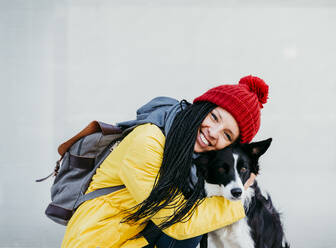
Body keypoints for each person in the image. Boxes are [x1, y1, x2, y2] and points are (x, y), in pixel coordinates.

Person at [61, 75, 269, 248]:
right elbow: (178, 223)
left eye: (227, 135)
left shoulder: (192, 158)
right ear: (201, 107)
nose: (214, 133)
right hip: (97, 242)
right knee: (186, 228)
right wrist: (239, 201)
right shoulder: (147, 141)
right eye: (214, 117)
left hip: (134, 240)